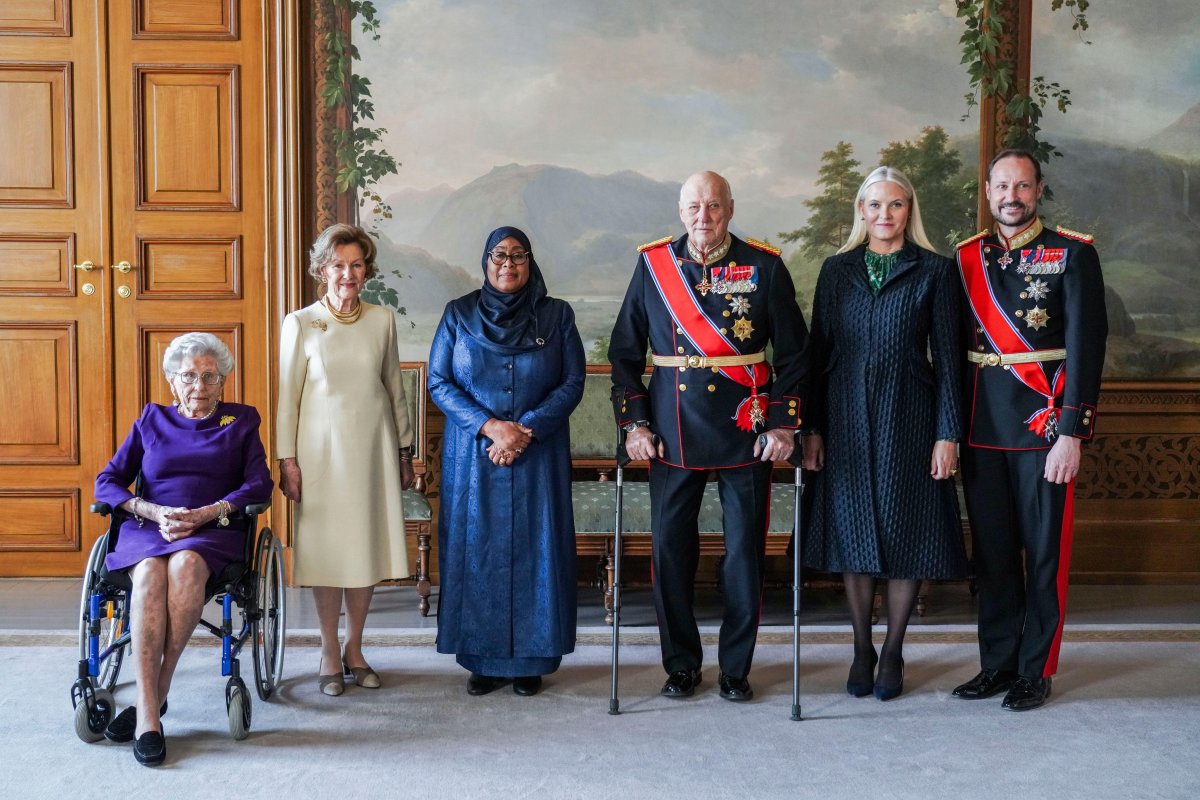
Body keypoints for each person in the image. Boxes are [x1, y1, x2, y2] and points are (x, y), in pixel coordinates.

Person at [608, 171, 809, 702]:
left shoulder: (765, 266)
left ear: (730, 209)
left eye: (714, 206)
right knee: (670, 553)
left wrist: (784, 423)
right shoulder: (653, 265)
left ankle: (736, 669)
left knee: (743, 555)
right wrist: (634, 425)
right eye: (695, 206)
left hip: (747, 429)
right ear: (681, 211)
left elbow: (794, 355)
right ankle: (681, 665)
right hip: (670, 431)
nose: (704, 216)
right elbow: (624, 354)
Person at [801, 166, 966, 701]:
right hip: (844, 416)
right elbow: (818, 353)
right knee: (852, 530)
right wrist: (812, 428)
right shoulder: (836, 270)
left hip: (910, 416)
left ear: (908, 210)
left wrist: (947, 434)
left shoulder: (935, 271)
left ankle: (893, 650)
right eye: (875, 205)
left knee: (904, 530)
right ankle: (861, 648)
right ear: (861, 211)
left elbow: (949, 359)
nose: (885, 214)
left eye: (895, 204)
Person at [951, 148, 1107, 711]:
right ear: (988, 192)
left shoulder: (1072, 253)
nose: (1011, 197)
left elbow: (1087, 347)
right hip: (982, 428)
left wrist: (1072, 433)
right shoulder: (966, 257)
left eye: (1022, 186)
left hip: (1044, 429)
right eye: (1002, 186)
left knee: (1043, 555)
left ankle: (1036, 669)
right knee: (993, 555)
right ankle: (998, 663)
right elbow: (954, 349)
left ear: (1039, 190)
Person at [94, 333, 272, 766]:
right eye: (189, 376)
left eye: (210, 376)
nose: (199, 385)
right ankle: (149, 712)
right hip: (150, 526)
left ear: (223, 381)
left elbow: (259, 484)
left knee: (187, 566)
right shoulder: (151, 419)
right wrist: (151, 510)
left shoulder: (241, 420)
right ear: (172, 381)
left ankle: (155, 696)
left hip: (213, 528)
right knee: (149, 574)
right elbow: (108, 481)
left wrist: (208, 512)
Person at [429, 226, 585, 697]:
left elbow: (573, 381)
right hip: (475, 457)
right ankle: (482, 661)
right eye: (499, 255)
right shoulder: (457, 314)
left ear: (530, 262)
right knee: (477, 550)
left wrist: (525, 429)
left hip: (539, 456)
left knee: (537, 551)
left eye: (518, 255)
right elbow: (439, 381)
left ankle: (531, 662)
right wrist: (492, 427)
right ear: (486, 261)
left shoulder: (557, 315)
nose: (508, 264)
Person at [276, 222, 415, 697]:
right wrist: (287, 461)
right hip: (319, 453)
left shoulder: (382, 320)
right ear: (322, 270)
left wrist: (404, 450)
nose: (348, 274)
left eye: (356, 265)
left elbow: (394, 388)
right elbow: (287, 400)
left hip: (373, 450)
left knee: (363, 548)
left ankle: (355, 648)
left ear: (366, 270)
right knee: (328, 552)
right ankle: (328, 650)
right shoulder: (300, 322)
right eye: (338, 265)